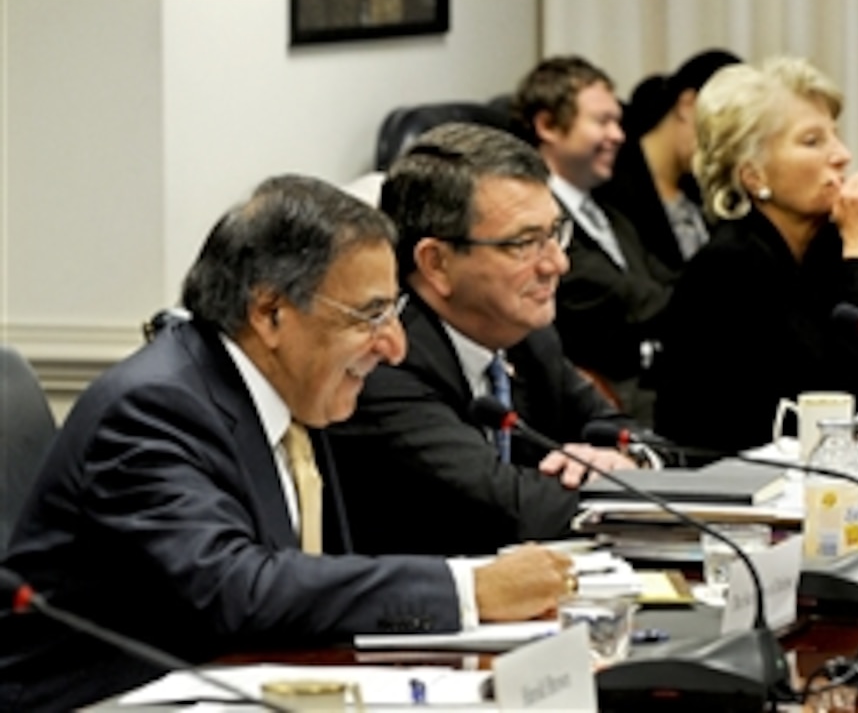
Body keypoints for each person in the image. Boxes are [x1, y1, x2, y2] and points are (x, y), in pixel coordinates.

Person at [0, 175, 572, 712]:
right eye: (370, 315)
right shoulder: (153, 409)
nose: (395, 347)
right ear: (271, 314)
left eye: (393, 311)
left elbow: (317, 577)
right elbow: (239, 588)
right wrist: (469, 588)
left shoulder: (292, 390)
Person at [327, 123, 647, 557]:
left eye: (554, 234)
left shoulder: (525, 334)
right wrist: (625, 488)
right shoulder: (384, 363)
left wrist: (630, 464)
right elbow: (511, 508)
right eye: (524, 243)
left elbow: (624, 432)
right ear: (436, 263)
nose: (557, 263)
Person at [654, 57, 858, 457]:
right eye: (812, 141)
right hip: (733, 491)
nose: (842, 155)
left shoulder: (824, 247)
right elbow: (835, 399)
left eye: (836, 136)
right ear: (755, 176)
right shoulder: (728, 267)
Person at [512, 56, 674, 425]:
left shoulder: (608, 209)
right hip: (603, 397)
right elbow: (641, 303)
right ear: (548, 125)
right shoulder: (536, 225)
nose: (618, 135)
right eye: (603, 121)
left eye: (617, 121)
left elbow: (664, 281)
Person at [598, 48, 743, 274]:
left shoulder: (701, 192)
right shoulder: (612, 181)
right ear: (688, 105)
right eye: (726, 128)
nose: (729, 145)